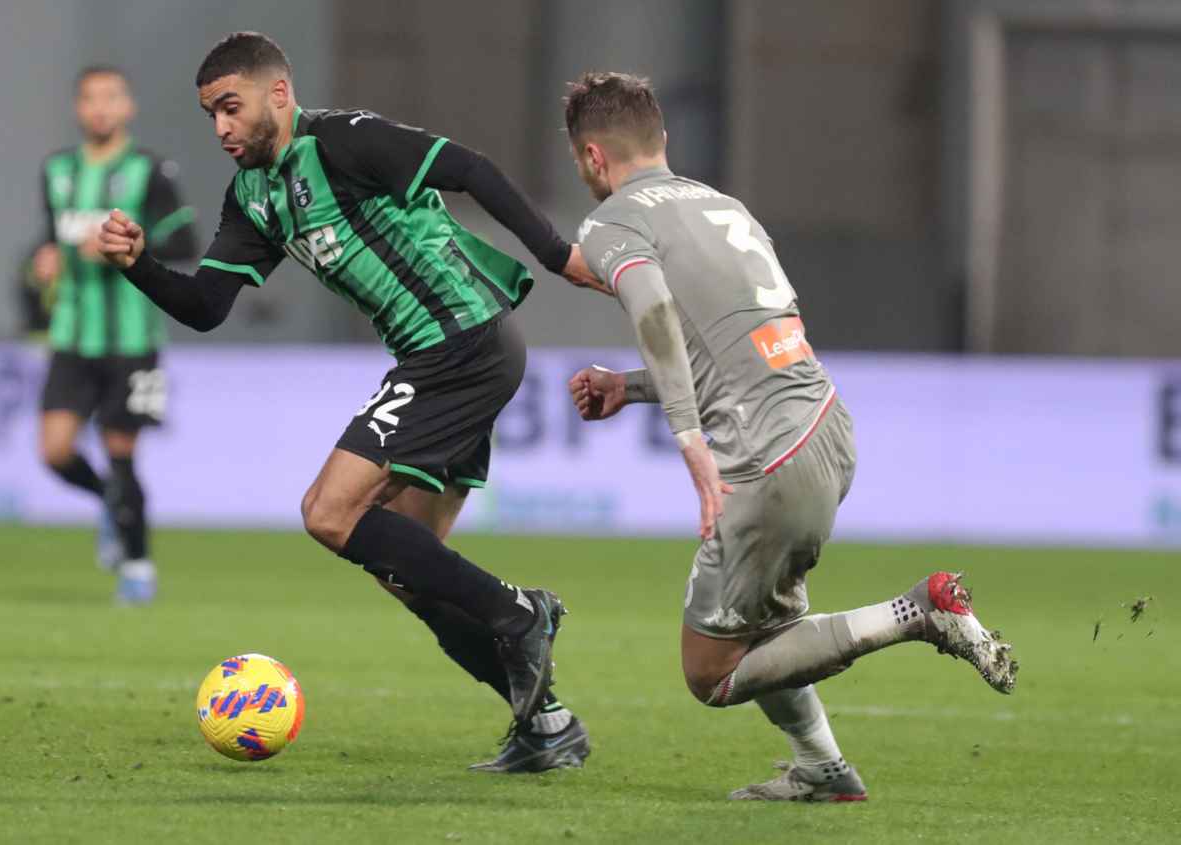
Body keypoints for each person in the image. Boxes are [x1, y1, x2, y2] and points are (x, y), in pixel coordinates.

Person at [98, 32, 600, 772]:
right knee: (416, 578)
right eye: (211, 115)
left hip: (460, 342)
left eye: (231, 107)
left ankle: (522, 611)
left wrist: (558, 255)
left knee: (328, 512)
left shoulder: (343, 142)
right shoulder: (254, 196)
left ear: (278, 93)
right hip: (443, 356)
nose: (221, 128)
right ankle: (547, 726)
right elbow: (205, 306)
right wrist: (139, 263)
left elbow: (470, 167)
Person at [563, 72, 1018, 802]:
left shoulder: (615, 221)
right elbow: (738, 347)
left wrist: (686, 434)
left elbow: (653, 313)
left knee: (711, 672)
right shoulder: (722, 205)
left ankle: (917, 613)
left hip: (766, 458)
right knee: (763, 632)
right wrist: (631, 386)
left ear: (591, 156)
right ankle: (823, 769)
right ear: (662, 140)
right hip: (824, 425)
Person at [33, 65, 199, 604]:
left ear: (129, 107)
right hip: (72, 337)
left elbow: (184, 243)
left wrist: (124, 248)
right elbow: (52, 237)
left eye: (111, 97)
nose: (100, 107)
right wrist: (46, 258)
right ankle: (109, 501)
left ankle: (137, 565)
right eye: (90, 98)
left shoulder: (151, 171)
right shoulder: (57, 170)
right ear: (78, 108)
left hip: (132, 340)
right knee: (54, 450)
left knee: (121, 451)